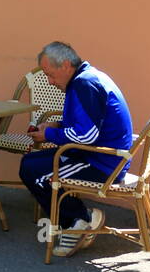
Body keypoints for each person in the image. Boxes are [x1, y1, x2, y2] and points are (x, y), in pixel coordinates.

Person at [19, 41, 134, 258]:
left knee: (37, 175)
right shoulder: (85, 78)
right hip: (99, 155)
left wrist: (49, 135)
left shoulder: (84, 84)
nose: (50, 82)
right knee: (29, 163)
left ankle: (76, 222)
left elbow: (87, 136)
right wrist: (57, 125)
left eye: (50, 75)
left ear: (65, 65)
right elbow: (87, 125)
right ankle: (83, 218)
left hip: (103, 163)